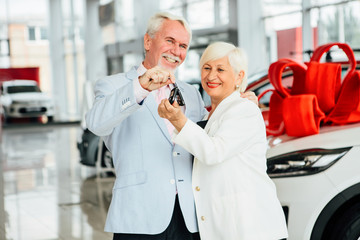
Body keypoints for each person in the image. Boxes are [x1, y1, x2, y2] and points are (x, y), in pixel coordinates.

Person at [86, 12, 257, 240]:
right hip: (139, 216)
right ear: (148, 42)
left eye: (183, 45)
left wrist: (236, 101)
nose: (176, 51)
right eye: (170, 41)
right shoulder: (114, 86)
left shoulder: (192, 93)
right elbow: (96, 124)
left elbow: (207, 137)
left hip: (191, 218)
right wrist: (141, 87)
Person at [158, 41, 288, 240]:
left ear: (239, 76)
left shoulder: (243, 109)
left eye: (220, 69)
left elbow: (213, 152)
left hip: (251, 230)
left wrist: (178, 120)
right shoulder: (215, 114)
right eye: (207, 68)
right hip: (228, 229)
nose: (211, 76)